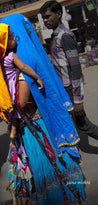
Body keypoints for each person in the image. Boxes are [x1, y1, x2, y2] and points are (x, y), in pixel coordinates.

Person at [0, 20, 87, 204]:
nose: (15, 38)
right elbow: (22, 99)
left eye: (15, 34)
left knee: (42, 166)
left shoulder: (10, 64)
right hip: (39, 122)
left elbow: (17, 101)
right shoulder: (25, 58)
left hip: (32, 125)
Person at [40, 0, 98, 140]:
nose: (45, 21)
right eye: (43, 18)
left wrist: (78, 100)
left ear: (59, 14)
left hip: (70, 89)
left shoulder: (65, 36)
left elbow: (76, 70)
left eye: (48, 16)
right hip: (63, 89)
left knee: (83, 124)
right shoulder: (55, 36)